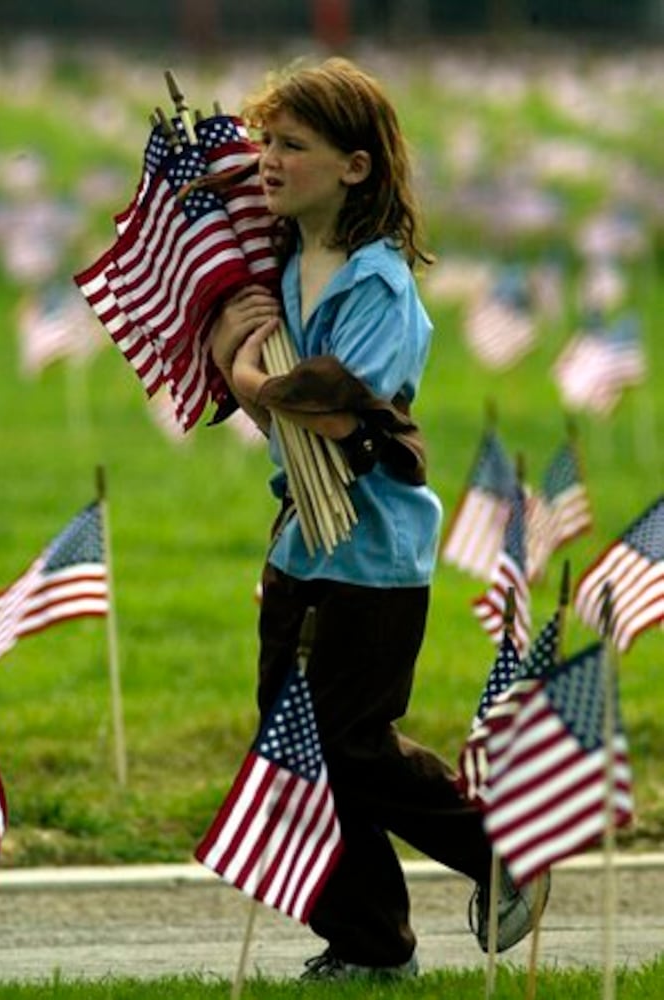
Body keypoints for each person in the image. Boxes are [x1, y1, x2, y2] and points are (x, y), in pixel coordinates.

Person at [209, 56, 548, 981]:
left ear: (356, 166)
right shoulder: (279, 265)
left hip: (373, 555)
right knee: (298, 750)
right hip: (300, 542)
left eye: (294, 145)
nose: (270, 160)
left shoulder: (379, 287)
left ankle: (500, 846)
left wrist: (243, 373)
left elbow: (327, 408)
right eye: (265, 143)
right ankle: (366, 944)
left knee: (350, 743)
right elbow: (276, 406)